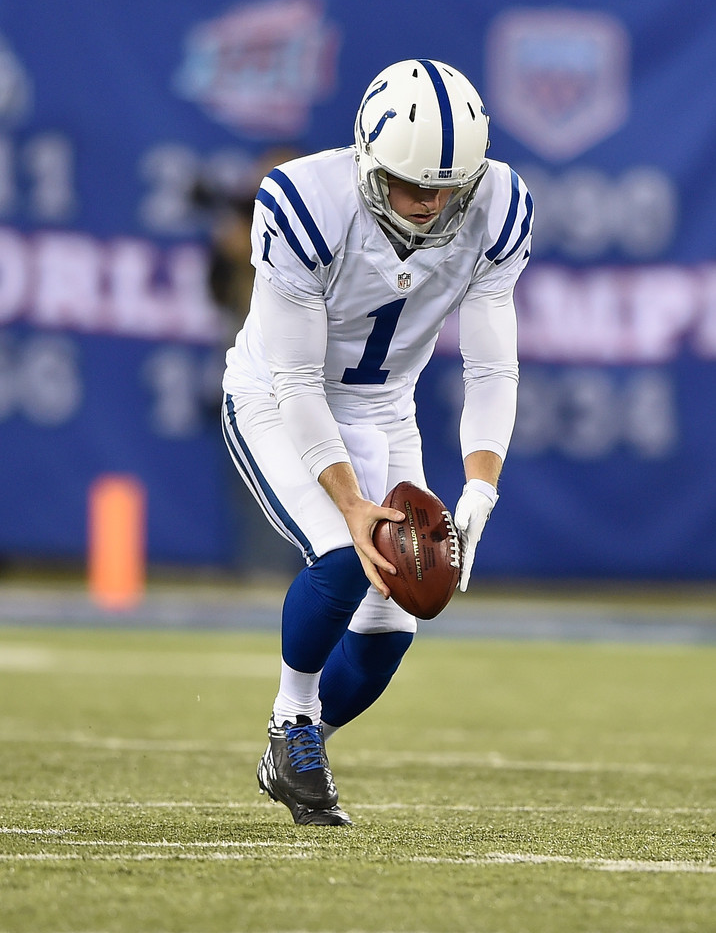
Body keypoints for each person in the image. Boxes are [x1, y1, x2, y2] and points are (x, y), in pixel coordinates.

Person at [221, 58, 533, 826]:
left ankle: (299, 748)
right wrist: (353, 504)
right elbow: (296, 381)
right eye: (411, 184)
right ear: (367, 160)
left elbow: (492, 364)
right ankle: (290, 719)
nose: (429, 205)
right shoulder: (302, 200)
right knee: (341, 553)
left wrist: (480, 487)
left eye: (445, 188)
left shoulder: (497, 204)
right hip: (275, 395)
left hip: (385, 409)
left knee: (398, 617)